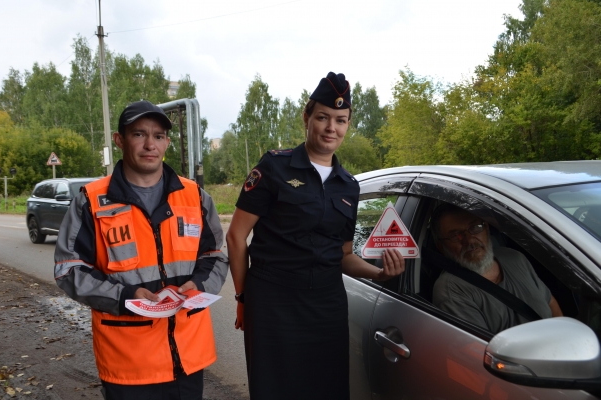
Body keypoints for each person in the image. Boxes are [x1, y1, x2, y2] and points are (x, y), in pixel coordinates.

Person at [226, 72, 406, 400]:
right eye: (323, 117)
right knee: (275, 389)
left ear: (348, 124)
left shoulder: (348, 186)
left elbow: (344, 255)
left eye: (340, 120)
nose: (331, 128)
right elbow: (236, 237)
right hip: (273, 302)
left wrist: (380, 273)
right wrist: (242, 298)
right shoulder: (274, 168)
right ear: (307, 117)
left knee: (328, 388)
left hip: (326, 305)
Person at [54, 100, 229, 399]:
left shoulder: (195, 197)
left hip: (188, 358)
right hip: (128, 364)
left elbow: (215, 256)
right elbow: (68, 269)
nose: (150, 144)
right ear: (119, 140)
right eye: (139, 134)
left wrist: (197, 285)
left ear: (167, 142)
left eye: (158, 136)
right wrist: (125, 296)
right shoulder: (91, 201)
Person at [431, 203, 562, 334]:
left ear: (486, 229)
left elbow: (550, 302)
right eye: (456, 236)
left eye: (475, 228)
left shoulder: (514, 257)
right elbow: (477, 349)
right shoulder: (451, 290)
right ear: (440, 246)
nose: (469, 240)